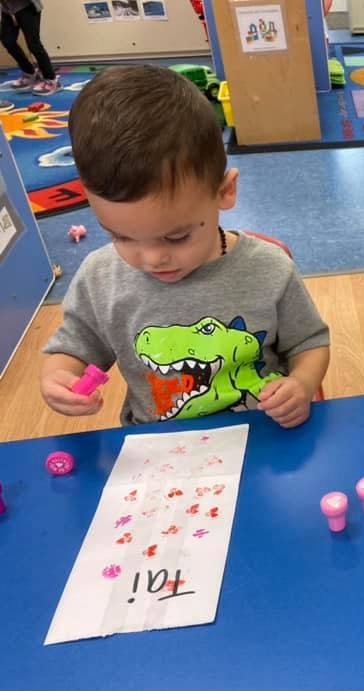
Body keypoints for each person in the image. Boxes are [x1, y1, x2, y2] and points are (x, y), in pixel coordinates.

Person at [40, 66, 330, 428]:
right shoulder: (100, 279)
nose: (151, 258)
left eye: (176, 237)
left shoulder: (269, 270)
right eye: (120, 236)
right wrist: (57, 379)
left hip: (263, 434)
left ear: (224, 192)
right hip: (160, 449)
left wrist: (301, 384)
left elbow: (309, 342)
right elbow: (71, 350)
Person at [0, 0, 59, 96]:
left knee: (33, 44)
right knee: (8, 41)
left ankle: (51, 79)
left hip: (27, 7)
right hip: (7, 10)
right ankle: (29, 73)